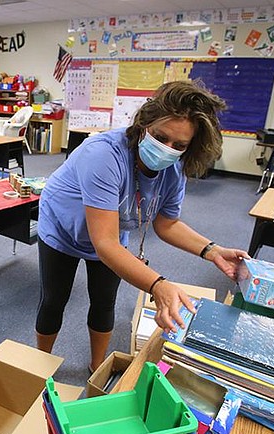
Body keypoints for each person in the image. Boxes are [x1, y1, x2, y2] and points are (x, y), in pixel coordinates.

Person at [35, 80, 249, 371]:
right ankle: (40, 364)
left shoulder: (174, 169)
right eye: (160, 137)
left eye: (180, 145)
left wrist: (212, 250)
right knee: (54, 300)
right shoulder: (103, 155)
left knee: (103, 302)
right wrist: (158, 285)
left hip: (109, 230)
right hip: (62, 228)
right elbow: (106, 244)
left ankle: (97, 368)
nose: (167, 149)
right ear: (143, 124)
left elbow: (167, 223)